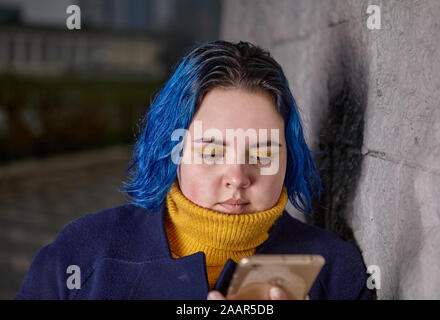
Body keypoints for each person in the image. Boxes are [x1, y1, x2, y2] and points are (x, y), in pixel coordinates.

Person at [15, 40, 374, 300]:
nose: (238, 176)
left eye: (264, 153)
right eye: (212, 151)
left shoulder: (335, 271)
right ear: (174, 151)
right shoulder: (84, 254)